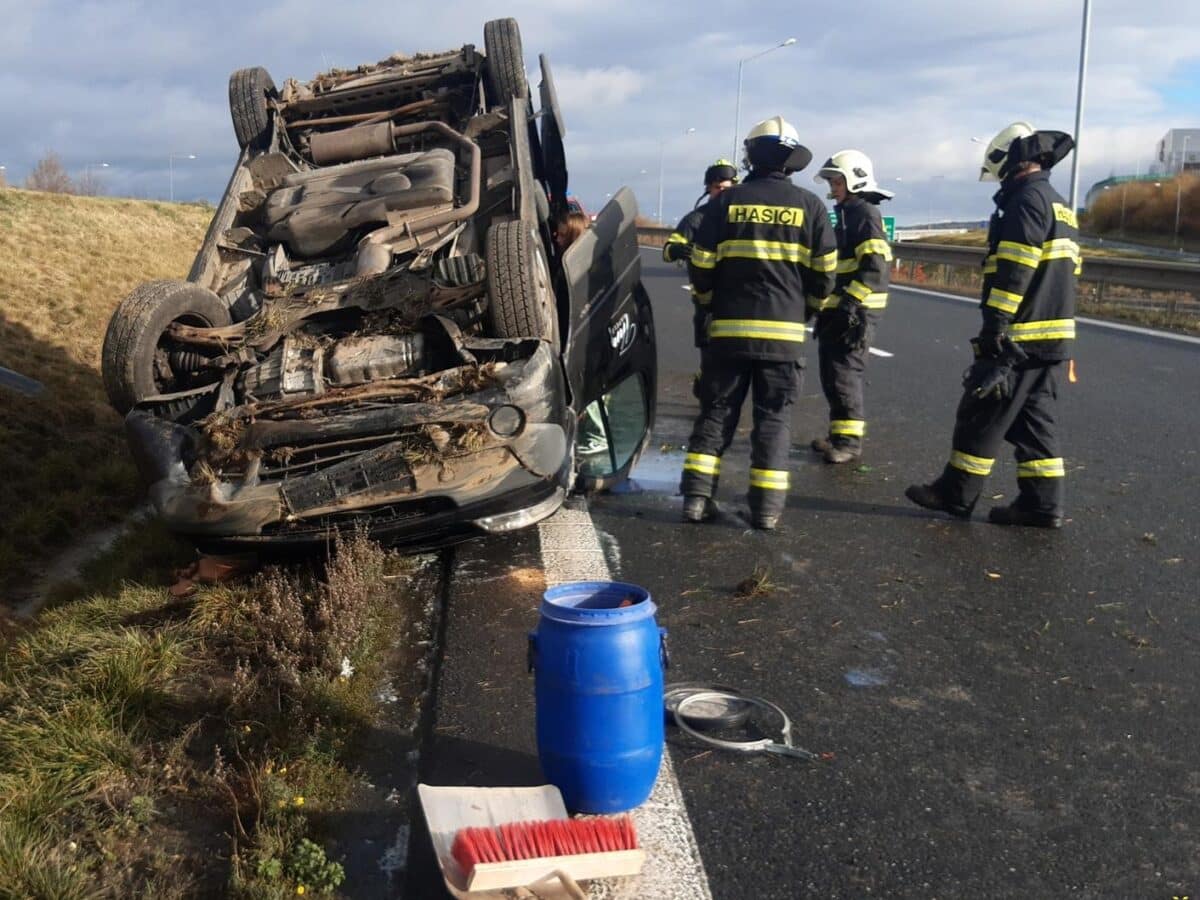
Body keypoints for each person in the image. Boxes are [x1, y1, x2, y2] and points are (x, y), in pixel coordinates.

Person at [906, 121, 1078, 528]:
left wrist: (996, 327)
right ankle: (1041, 504)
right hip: (1051, 338)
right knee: (1035, 423)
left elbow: (1016, 269)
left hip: (1018, 337)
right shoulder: (1059, 204)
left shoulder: (1026, 201)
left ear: (1010, 159)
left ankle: (955, 494)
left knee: (981, 411)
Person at [680, 116, 837, 530]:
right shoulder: (811, 206)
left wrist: (708, 303)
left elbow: (701, 263)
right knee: (774, 421)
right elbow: (825, 274)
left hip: (727, 332)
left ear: (750, 156)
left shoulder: (725, 203)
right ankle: (766, 511)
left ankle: (696, 499)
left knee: (716, 413)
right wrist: (806, 310)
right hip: (784, 337)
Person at [810, 150, 894, 464]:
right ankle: (837, 436)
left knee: (845, 373)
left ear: (854, 181)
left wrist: (850, 303)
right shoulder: (847, 213)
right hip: (842, 308)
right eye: (831, 182)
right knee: (832, 373)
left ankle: (849, 443)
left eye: (837, 182)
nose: (832, 188)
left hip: (857, 311)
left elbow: (875, 266)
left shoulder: (864, 214)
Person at [663, 159, 739, 393]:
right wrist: (679, 249)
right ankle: (707, 384)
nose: (722, 192)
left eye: (726, 188)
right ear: (708, 188)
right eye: (717, 188)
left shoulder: (741, 219)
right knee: (710, 353)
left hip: (738, 299)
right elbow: (668, 250)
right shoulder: (696, 218)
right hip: (706, 300)